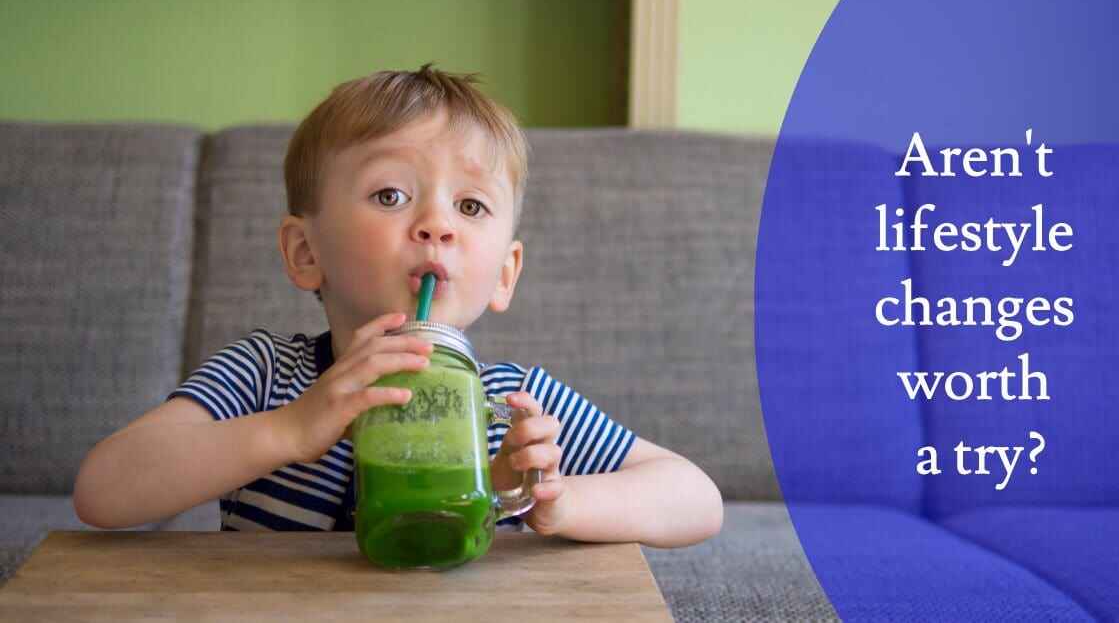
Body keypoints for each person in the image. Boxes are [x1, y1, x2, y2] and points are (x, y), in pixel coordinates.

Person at [73, 65, 723, 548]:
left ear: (505, 273)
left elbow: (696, 498)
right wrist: (288, 430)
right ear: (305, 252)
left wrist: (554, 501)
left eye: (470, 206)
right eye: (390, 195)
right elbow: (102, 491)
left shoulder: (510, 402)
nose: (437, 223)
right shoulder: (266, 376)